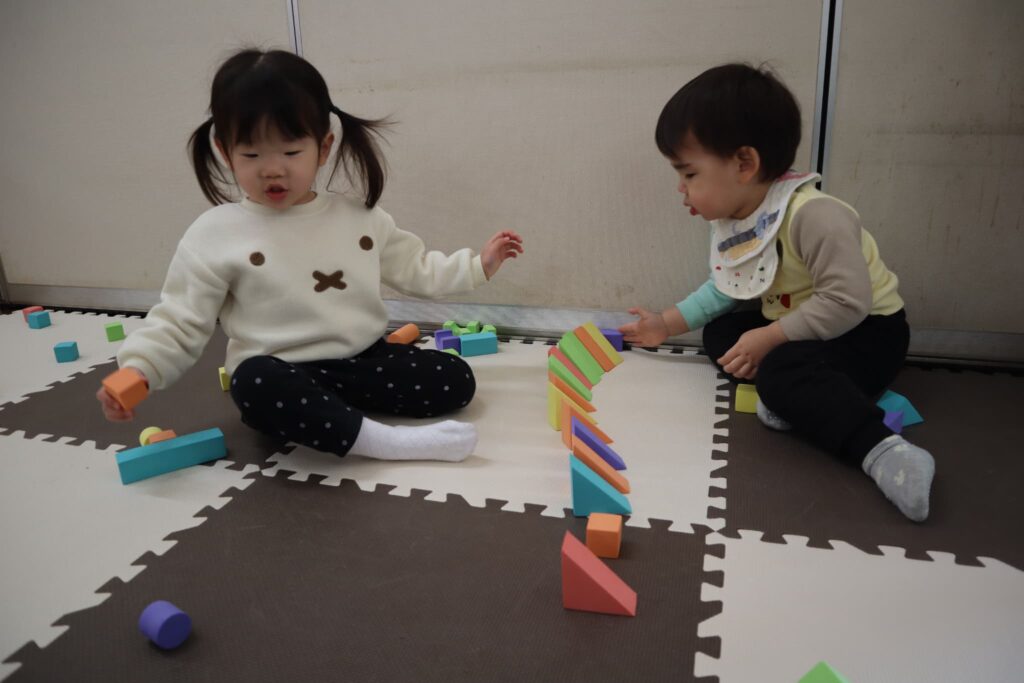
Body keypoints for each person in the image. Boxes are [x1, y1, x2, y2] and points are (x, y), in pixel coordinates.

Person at [96, 48, 523, 463]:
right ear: (225, 152)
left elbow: (416, 268)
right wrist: (139, 369)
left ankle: (331, 415)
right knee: (254, 384)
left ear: (324, 147)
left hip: (363, 361)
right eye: (251, 154)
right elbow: (180, 319)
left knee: (454, 378)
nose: (273, 169)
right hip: (283, 371)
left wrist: (477, 266)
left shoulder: (359, 218)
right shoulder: (214, 234)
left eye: (291, 152)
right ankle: (384, 441)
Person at [620, 63, 934, 521]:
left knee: (779, 368)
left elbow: (847, 302)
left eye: (689, 174)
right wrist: (665, 324)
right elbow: (729, 287)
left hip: (868, 332)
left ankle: (884, 451)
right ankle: (803, 396)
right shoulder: (742, 217)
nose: (681, 189)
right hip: (805, 330)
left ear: (744, 164)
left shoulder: (815, 215)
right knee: (722, 335)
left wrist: (770, 338)